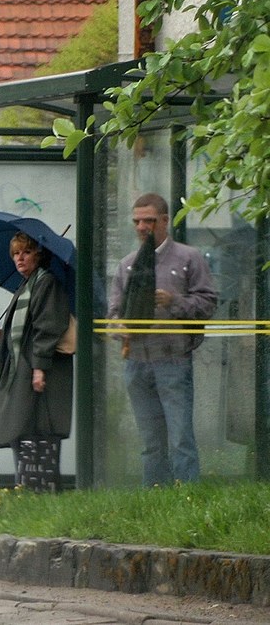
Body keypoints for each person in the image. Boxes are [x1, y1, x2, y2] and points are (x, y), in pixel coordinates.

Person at [108, 192, 217, 486]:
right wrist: (120, 328)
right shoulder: (127, 265)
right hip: (136, 362)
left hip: (173, 360)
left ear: (165, 221)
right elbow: (113, 314)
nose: (142, 227)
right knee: (149, 439)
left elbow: (208, 303)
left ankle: (186, 497)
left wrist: (174, 302)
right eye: (137, 221)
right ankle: (155, 497)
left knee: (180, 435)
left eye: (149, 221)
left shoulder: (187, 258)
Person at [0, 232, 74, 492]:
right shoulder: (27, 286)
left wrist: (39, 368)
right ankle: (26, 489)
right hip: (22, 371)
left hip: (37, 373)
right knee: (22, 431)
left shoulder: (46, 283)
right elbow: (21, 337)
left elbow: (48, 327)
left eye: (26, 252)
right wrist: (0, 337)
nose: (19, 258)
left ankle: (39, 491)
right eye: (15, 254)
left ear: (39, 254)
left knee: (37, 430)